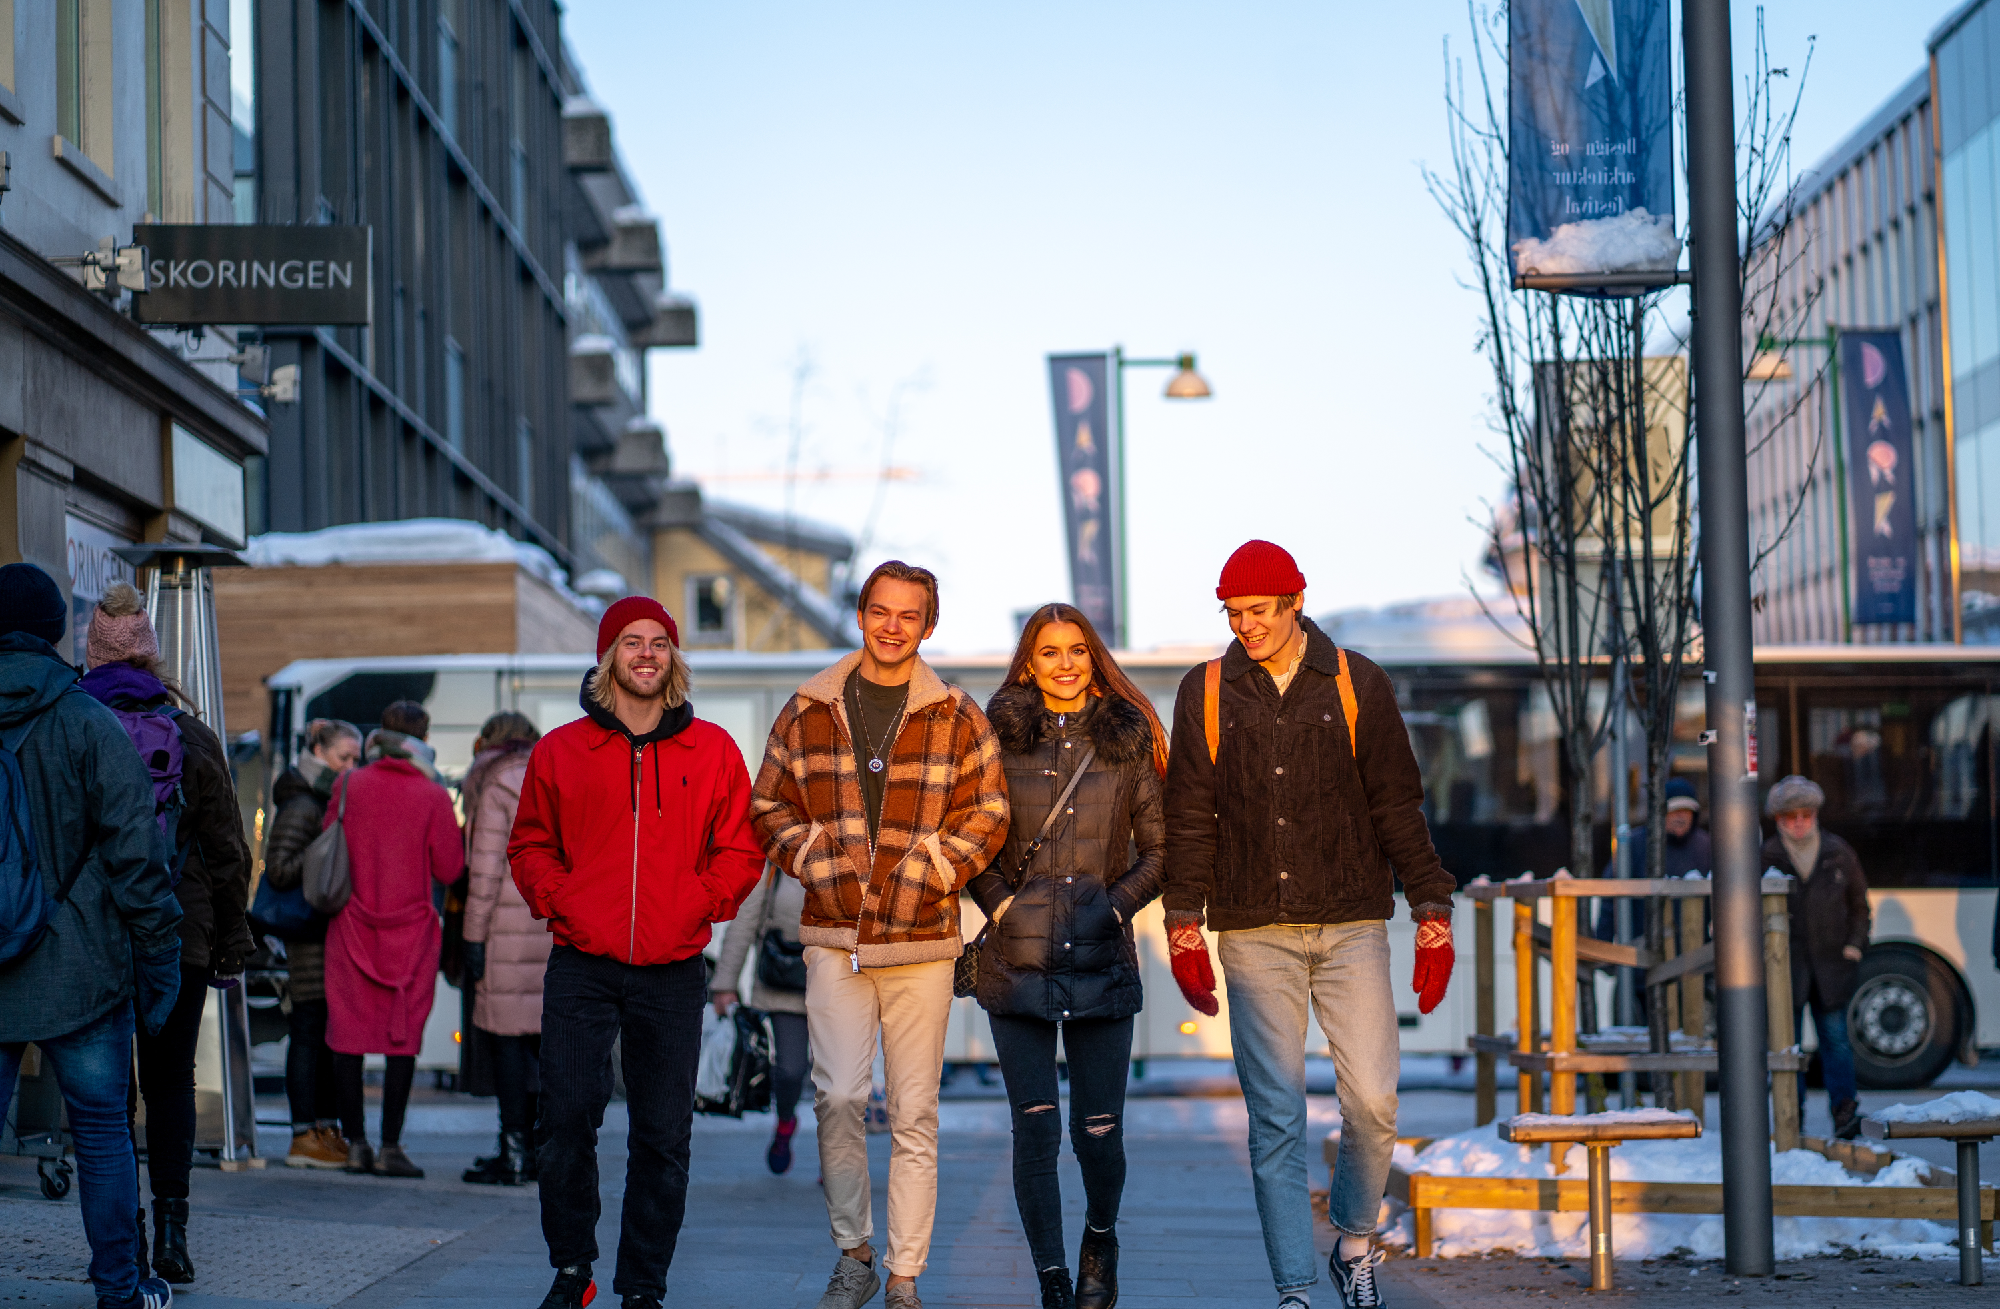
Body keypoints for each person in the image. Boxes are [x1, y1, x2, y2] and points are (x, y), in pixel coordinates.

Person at [1161, 541, 1457, 1309]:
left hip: (1352, 923)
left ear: (1296, 601)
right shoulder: (1207, 690)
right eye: (1233, 612)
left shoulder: (1357, 682)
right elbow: (1188, 813)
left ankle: (1354, 1243)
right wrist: (1183, 922)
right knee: (1277, 1118)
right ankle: (1294, 1286)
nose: (1245, 624)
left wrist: (1431, 907)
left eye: (1259, 609)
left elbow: (1396, 802)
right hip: (1253, 930)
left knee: (1374, 1102)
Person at [752, 560, 1009, 1309]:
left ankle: (904, 1276)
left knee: (914, 1112)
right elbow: (768, 804)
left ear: (928, 625)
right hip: (834, 935)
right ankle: (855, 1252)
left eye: (908, 615)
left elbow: (990, 810)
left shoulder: (957, 713)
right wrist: (816, 858)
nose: (892, 626)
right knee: (836, 1097)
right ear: (861, 614)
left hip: (921, 940)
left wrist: (933, 866)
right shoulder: (809, 707)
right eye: (880, 611)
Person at [510, 597, 765, 1309]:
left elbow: (741, 849)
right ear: (608, 657)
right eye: (631, 641)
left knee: (662, 1134)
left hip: (672, 967)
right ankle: (573, 1268)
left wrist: (698, 902)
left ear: (673, 658)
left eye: (658, 642)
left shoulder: (713, 749)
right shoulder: (560, 750)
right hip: (581, 962)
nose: (646, 653)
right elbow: (530, 843)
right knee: (564, 1121)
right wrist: (562, 899)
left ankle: (643, 1285)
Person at [967, 603, 1167, 1309]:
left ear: (1092, 657)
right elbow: (972, 840)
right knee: (1035, 1128)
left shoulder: (1125, 740)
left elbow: (1159, 851)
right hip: (1015, 964)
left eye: (1076, 650)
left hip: (1101, 958)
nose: (1065, 664)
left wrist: (1112, 907)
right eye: (1049, 651)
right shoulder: (995, 741)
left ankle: (1100, 1238)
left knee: (1098, 1132)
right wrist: (1002, 907)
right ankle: (1053, 1278)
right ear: (1029, 662)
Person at [0, 562, 180, 1309]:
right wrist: (160, 959)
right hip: (81, 967)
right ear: (54, 632)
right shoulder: (89, 724)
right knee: (103, 1131)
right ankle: (119, 1290)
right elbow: (139, 860)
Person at [78, 583, 254, 1286]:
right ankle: (174, 1235)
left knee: (109, 1092)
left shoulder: (74, 722)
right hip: (180, 932)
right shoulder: (191, 734)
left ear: (93, 652)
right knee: (171, 1081)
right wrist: (230, 942)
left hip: (96, 934)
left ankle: (125, 1239)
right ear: (151, 654)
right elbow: (228, 851)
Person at [324, 699, 464, 1178]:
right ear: (421, 741)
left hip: (350, 928)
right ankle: (390, 1147)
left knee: (347, 1036)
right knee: (401, 1040)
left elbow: (329, 840)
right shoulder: (433, 795)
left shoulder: (349, 784)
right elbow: (450, 868)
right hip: (412, 935)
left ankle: (356, 1145)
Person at [262, 718, 363, 1168]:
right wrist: (325, 853)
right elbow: (279, 869)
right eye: (344, 757)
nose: (351, 766)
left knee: (321, 1035)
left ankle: (322, 1129)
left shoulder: (320, 798)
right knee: (308, 1032)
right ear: (319, 753)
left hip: (319, 935)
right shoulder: (303, 803)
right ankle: (303, 1135)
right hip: (306, 937)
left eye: (356, 758)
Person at [458, 711, 551, 1187]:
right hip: (551, 929)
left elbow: (486, 871)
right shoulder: (553, 775)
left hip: (503, 934)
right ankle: (537, 1151)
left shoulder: (492, 783)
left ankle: (513, 1153)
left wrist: (472, 937)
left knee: (507, 1044)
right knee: (542, 1044)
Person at [1761, 775, 1872, 1141]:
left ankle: (1845, 1113)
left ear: (1815, 815)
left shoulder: (1839, 851)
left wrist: (1855, 945)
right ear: (1778, 820)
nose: (1799, 823)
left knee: (1836, 1042)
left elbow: (1859, 906)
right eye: (1790, 816)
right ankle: (1791, 1118)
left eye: (1805, 815)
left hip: (1832, 968)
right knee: (1786, 1047)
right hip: (1785, 970)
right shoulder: (1765, 856)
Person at [710, 861, 810, 1174]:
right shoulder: (775, 862)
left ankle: (837, 1158)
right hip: (784, 988)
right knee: (790, 1071)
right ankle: (785, 1122)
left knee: (840, 1085)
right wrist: (725, 984)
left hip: (842, 988)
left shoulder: (851, 853)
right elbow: (744, 923)